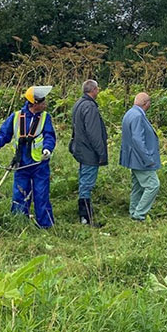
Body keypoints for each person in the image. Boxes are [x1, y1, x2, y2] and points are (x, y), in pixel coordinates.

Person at [0, 86, 56, 229]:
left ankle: (46, 225)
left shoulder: (46, 117)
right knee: (20, 195)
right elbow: (4, 135)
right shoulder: (15, 117)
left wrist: (47, 149)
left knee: (41, 195)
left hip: (39, 164)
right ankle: (19, 224)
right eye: (43, 102)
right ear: (34, 103)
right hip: (21, 163)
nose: (45, 104)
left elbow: (49, 136)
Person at [70, 79, 107, 226]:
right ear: (93, 90)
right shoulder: (90, 107)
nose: (98, 91)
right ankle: (85, 218)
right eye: (97, 89)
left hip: (81, 148)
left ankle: (85, 215)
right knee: (87, 184)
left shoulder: (78, 104)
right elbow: (94, 133)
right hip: (89, 152)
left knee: (84, 181)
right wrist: (101, 152)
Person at [120, 92, 161, 221]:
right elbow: (138, 140)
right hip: (140, 159)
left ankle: (134, 211)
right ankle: (139, 213)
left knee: (137, 186)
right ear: (146, 104)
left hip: (132, 158)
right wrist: (148, 159)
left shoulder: (130, 113)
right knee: (153, 185)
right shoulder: (138, 116)